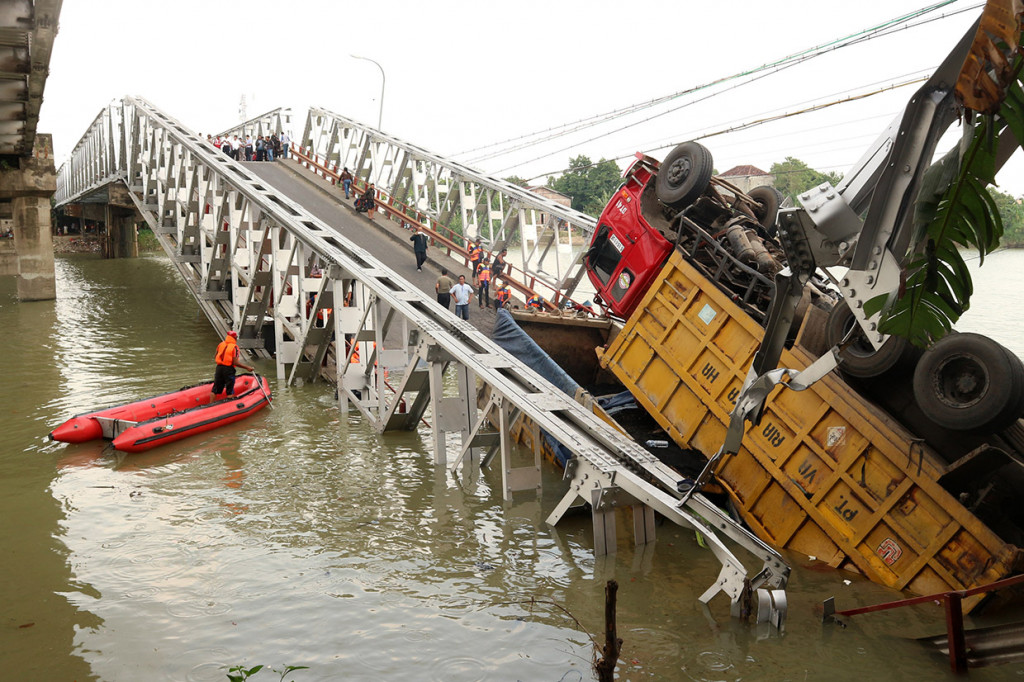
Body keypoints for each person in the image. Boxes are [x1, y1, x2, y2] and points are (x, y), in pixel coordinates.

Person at [210, 330, 253, 403]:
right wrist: (247, 367)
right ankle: (230, 406)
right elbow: (235, 362)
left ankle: (210, 405)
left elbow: (215, 356)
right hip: (228, 369)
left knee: (215, 389)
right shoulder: (235, 347)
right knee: (230, 390)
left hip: (219, 368)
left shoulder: (221, 344)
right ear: (235, 338)